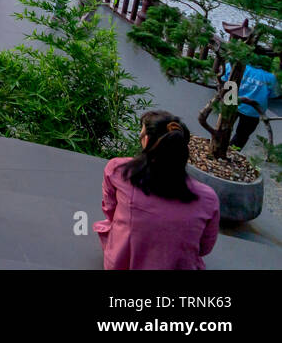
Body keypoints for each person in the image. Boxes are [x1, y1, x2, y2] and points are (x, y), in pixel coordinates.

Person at [93, 111, 219, 269]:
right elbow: (204, 247)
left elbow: (110, 210)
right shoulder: (208, 198)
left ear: (146, 140)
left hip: (122, 263)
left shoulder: (119, 170)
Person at [222, 61, 278, 149]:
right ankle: (232, 151)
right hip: (253, 110)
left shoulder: (234, 64)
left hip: (231, 101)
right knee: (242, 136)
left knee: (223, 128)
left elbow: (224, 79)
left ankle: (219, 147)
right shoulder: (270, 77)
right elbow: (274, 94)